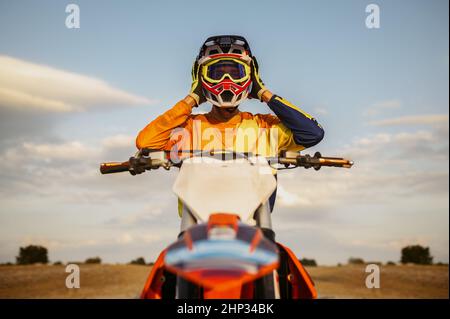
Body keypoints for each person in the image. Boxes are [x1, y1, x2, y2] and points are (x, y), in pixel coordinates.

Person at [136, 35, 324, 213]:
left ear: (250, 77)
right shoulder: (188, 128)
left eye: (236, 73)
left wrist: (263, 92)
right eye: (217, 73)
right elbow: (146, 143)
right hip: (196, 228)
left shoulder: (264, 127)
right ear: (201, 78)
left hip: (254, 226)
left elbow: (312, 133)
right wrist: (192, 98)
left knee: (281, 250)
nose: (227, 80)